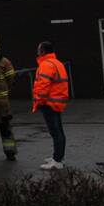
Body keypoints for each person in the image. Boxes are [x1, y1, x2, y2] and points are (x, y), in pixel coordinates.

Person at [34, 40, 70, 170]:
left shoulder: (45, 65)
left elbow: (42, 85)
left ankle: (57, 160)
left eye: (39, 49)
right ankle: (58, 156)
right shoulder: (57, 63)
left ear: (43, 51)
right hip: (56, 102)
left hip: (49, 103)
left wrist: (38, 100)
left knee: (55, 132)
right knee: (58, 130)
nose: (37, 52)